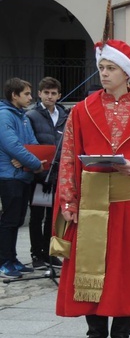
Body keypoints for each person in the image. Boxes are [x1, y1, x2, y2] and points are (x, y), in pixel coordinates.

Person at [54, 40, 130, 338]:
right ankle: (95, 336)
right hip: (90, 200)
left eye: (111, 68)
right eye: (102, 68)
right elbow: (67, 157)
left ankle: (122, 336)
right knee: (88, 268)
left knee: (127, 271)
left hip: (129, 201)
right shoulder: (81, 110)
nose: (103, 73)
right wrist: (68, 199)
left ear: (127, 73)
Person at [0, 78, 43, 279]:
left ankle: (13, 258)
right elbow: (13, 146)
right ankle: (4, 261)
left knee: (17, 220)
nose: (30, 97)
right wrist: (35, 163)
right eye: (26, 94)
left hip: (23, 174)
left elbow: (32, 143)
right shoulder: (4, 116)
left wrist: (30, 161)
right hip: (10, 176)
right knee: (9, 220)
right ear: (14, 95)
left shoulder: (23, 116)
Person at [26, 77, 69, 271]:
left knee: (53, 216)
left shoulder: (64, 115)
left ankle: (50, 252)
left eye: (53, 93)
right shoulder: (32, 115)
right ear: (40, 93)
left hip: (59, 173)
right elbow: (29, 142)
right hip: (41, 173)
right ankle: (37, 253)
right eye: (46, 93)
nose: (50, 97)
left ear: (59, 95)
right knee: (37, 216)